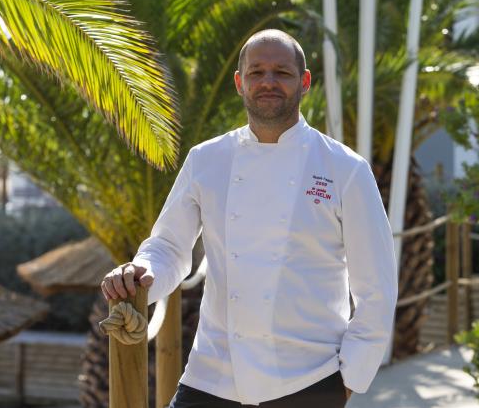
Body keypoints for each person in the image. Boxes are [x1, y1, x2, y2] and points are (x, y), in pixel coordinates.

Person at [101, 29, 398, 407]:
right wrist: (141, 273)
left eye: (282, 72)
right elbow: (169, 247)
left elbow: (377, 287)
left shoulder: (345, 169)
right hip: (213, 374)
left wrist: (349, 380)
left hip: (309, 379)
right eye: (257, 72)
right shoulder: (206, 159)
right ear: (240, 83)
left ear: (304, 82)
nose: (268, 82)